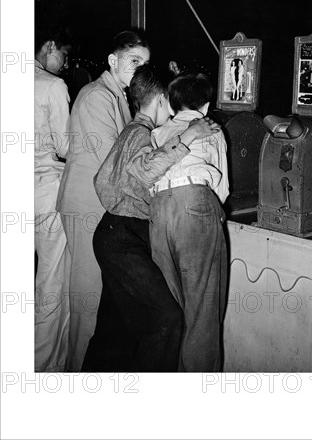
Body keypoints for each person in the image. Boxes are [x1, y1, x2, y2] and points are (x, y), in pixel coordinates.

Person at [82, 66, 219, 371]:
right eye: (169, 103)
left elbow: (101, 181)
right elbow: (145, 170)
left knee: (114, 328)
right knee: (166, 318)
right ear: (159, 99)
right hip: (124, 237)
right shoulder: (140, 133)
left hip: (115, 232)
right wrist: (190, 135)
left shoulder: (133, 131)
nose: (172, 111)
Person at [56, 30, 150, 371]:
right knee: (88, 297)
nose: (140, 69)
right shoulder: (97, 95)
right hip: (87, 205)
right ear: (113, 61)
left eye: (145, 64)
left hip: (99, 203)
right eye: (134, 61)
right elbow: (113, 156)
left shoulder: (119, 96)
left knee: (96, 296)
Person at [149, 73, 229, 372]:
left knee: (172, 306)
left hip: (158, 210)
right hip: (195, 204)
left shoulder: (158, 132)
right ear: (206, 107)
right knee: (203, 312)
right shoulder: (211, 129)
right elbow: (222, 190)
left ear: (171, 104)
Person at [34, 26, 71, 371]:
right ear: (49, 47)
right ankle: (45, 369)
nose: (63, 64)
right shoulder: (51, 85)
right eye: (63, 55)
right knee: (50, 285)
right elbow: (65, 146)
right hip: (44, 195)